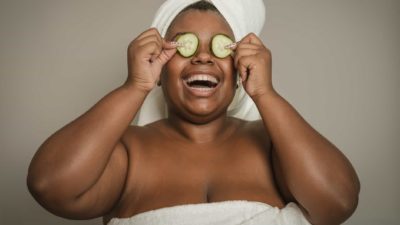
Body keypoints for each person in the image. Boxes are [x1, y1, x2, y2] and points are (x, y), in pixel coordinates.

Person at [27, 1, 360, 224]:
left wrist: (265, 93)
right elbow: (49, 185)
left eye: (220, 45)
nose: (203, 57)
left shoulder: (275, 145)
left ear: (242, 68)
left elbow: (338, 202)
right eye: (185, 44)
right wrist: (134, 86)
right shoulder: (126, 150)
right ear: (159, 65)